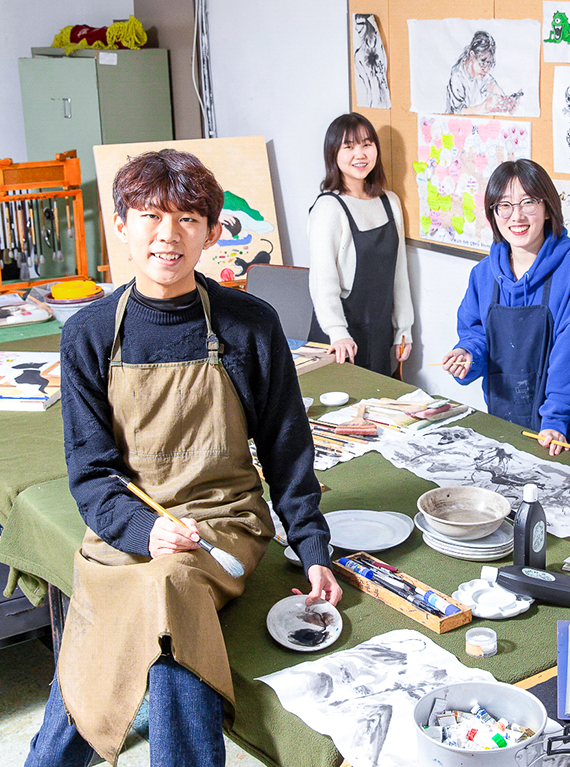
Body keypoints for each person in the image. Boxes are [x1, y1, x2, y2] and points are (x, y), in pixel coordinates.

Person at [25, 149, 341, 767]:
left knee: (166, 589)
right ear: (121, 225)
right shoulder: (89, 333)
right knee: (146, 611)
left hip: (224, 523)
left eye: (187, 219)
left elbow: (286, 446)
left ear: (212, 233)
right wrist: (144, 529)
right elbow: (90, 473)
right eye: (150, 216)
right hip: (125, 530)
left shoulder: (249, 325)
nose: (167, 235)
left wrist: (311, 548)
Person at [442, 159, 570, 456]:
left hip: (565, 432)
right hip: (506, 421)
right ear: (493, 213)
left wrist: (557, 419)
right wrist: (469, 354)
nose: (517, 216)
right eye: (504, 205)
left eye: (528, 202)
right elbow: (477, 334)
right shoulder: (483, 274)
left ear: (548, 208)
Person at [307, 113, 413, 376]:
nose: (360, 154)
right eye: (349, 146)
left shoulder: (390, 202)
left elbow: (399, 274)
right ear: (333, 153)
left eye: (367, 144)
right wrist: (337, 332)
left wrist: (403, 329)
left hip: (379, 333)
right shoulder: (328, 208)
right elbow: (322, 281)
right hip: (338, 339)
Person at [446, 30, 519, 115]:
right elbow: (458, 113)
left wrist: (504, 101)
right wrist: (485, 107)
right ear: (472, 56)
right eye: (483, 63)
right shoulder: (457, 76)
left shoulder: (480, 71)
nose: (487, 70)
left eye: (490, 64)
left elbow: (492, 85)